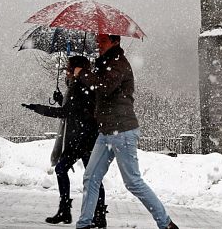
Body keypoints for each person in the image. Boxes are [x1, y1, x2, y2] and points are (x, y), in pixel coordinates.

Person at [75, 34, 178, 229]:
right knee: (91, 177)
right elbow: (96, 91)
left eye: (102, 40)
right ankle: (84, 224)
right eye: (97, 40)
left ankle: (166, 224)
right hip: (106, 132)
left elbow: (104, 87)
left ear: (115, 41)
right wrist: (78, 76)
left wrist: (83, 74)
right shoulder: (105, 64)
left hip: (122, 130)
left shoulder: (119, 63)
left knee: (132, 182)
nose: (98, 43)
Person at [22, 55, 108, 227]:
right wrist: (62, 99)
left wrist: (38, 108)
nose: (66, 71)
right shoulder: (81, 86)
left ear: (76, 69)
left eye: (69, 68)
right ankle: (91, 214)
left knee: (77, 173)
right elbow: (76, 109)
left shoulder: (79, 87)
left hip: (82, 139)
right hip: (84, 137)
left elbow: (65, 113)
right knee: (89, 176)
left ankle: (71, 211)